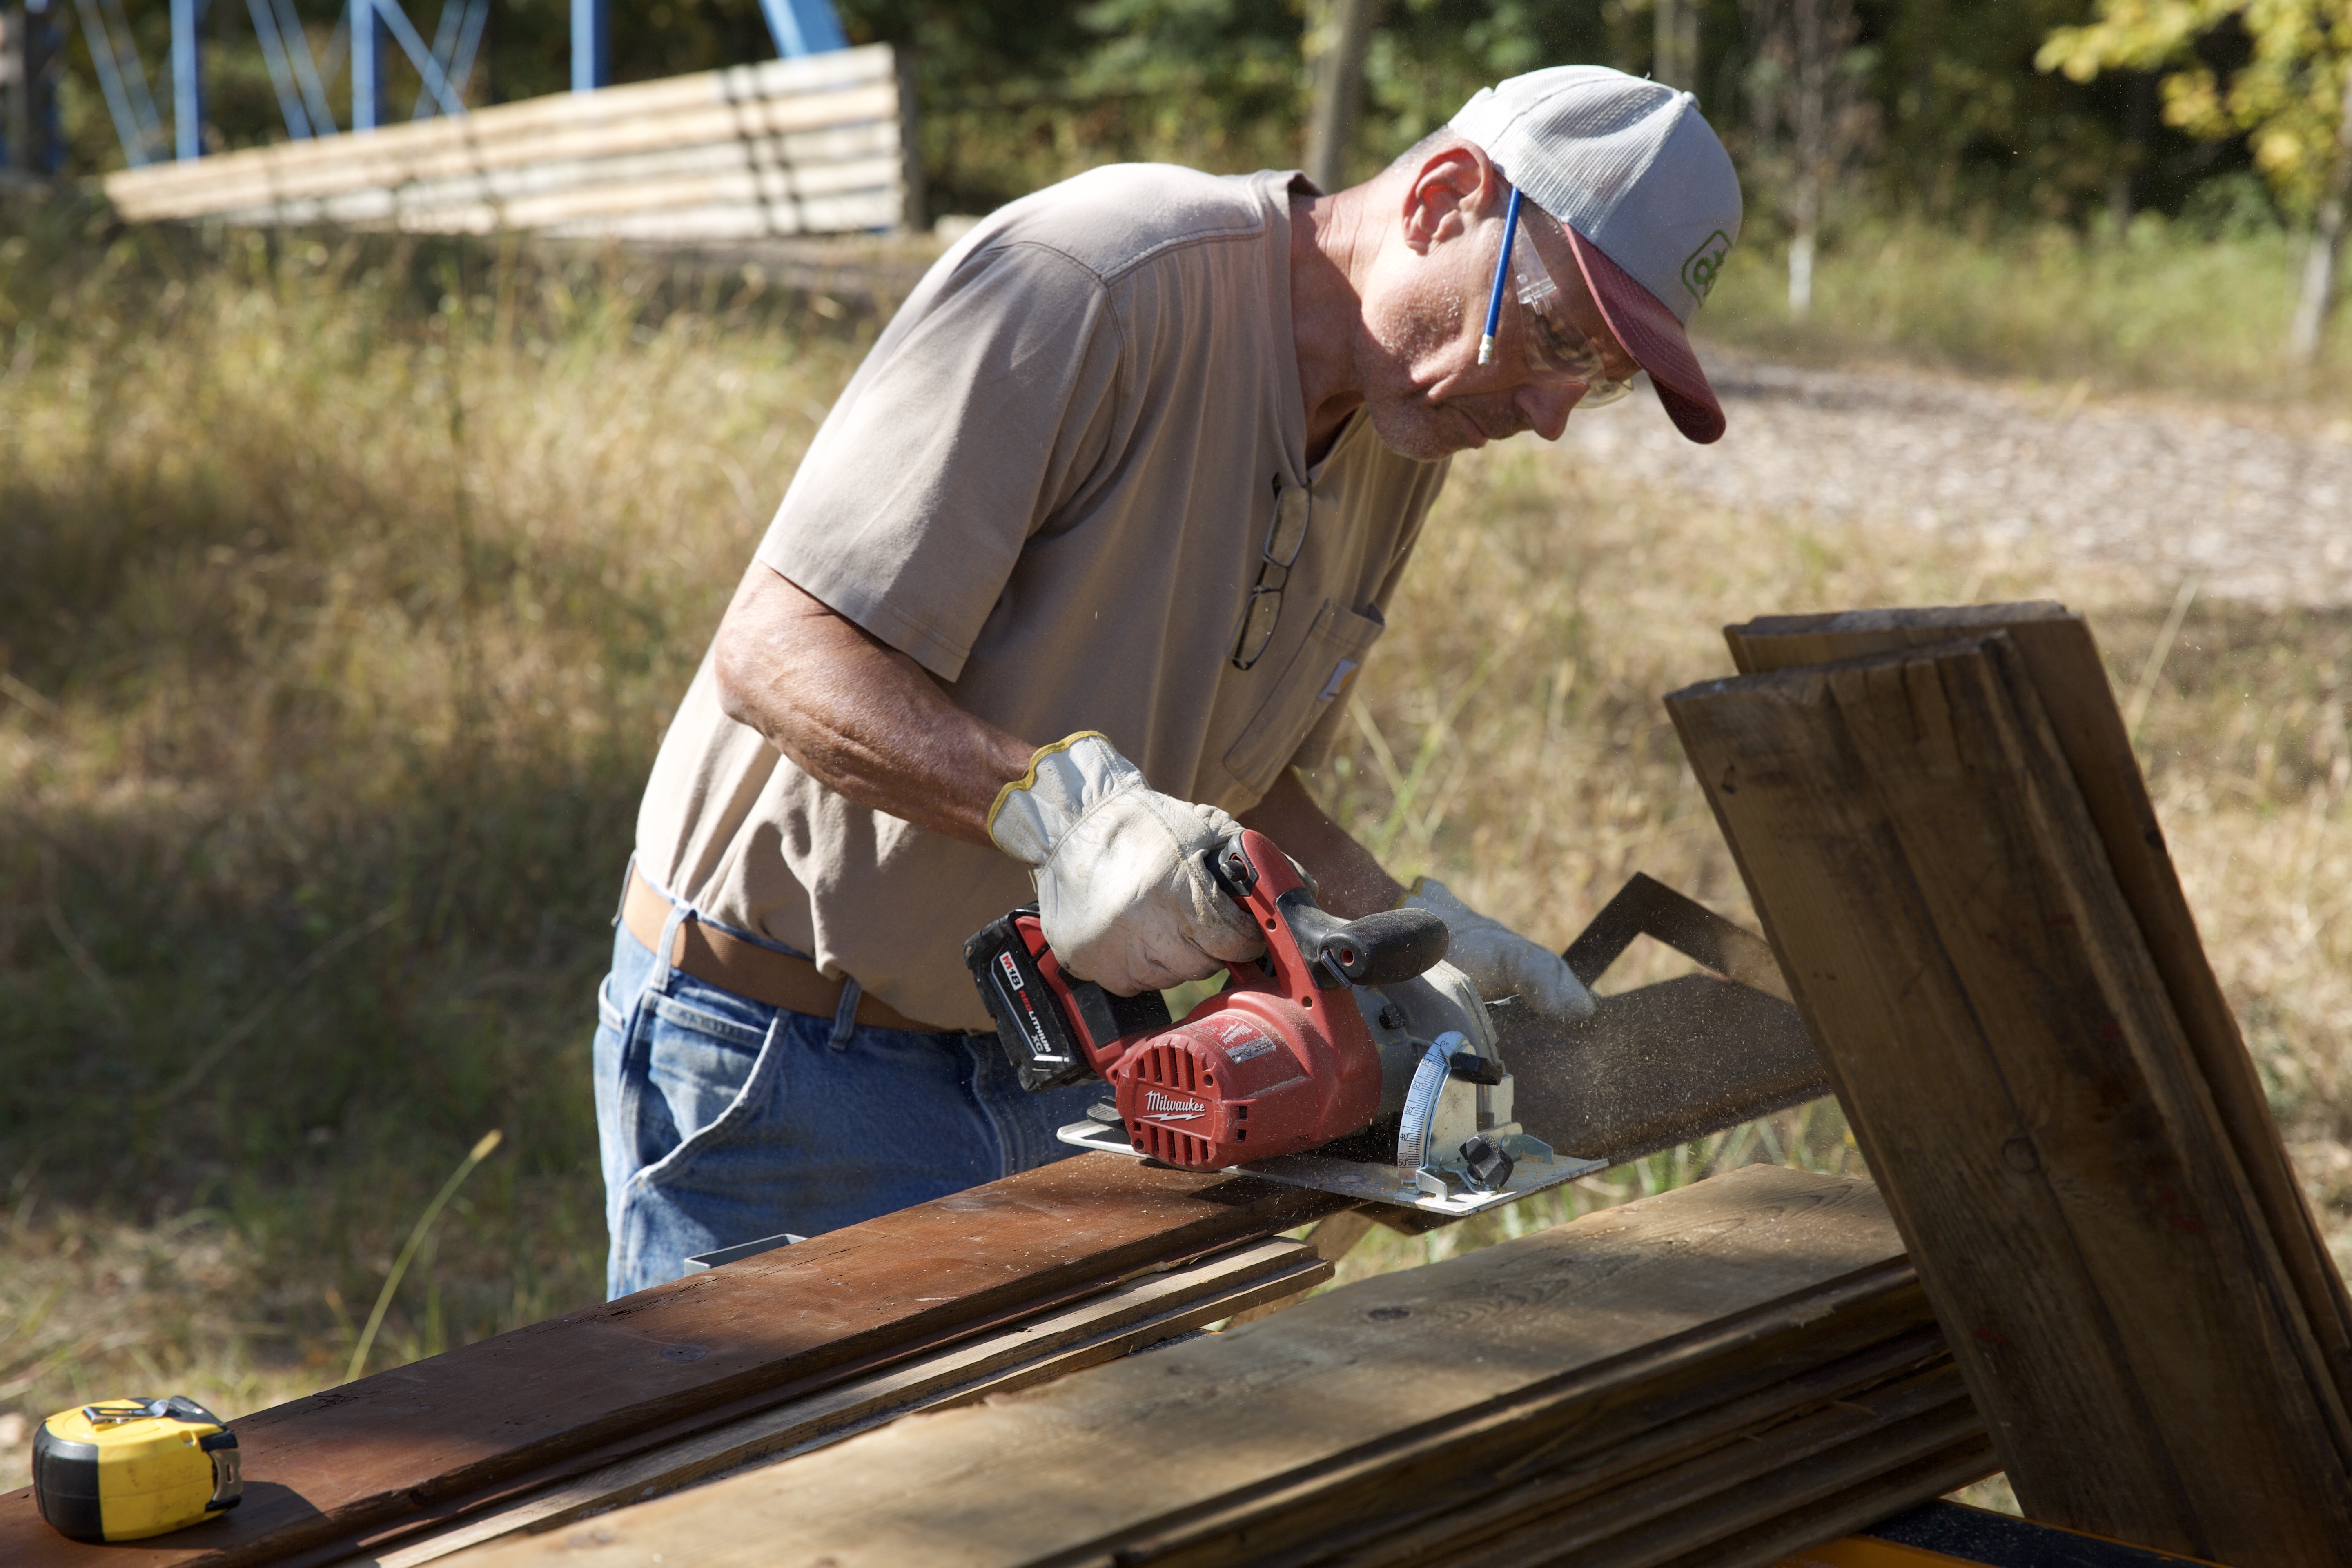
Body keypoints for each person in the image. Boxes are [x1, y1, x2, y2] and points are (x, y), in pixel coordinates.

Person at [593, 64, 1743, 1297]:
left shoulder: (1404, 423)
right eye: (1560, 334)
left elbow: (1219, 762)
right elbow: (777, 654)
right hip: (794, 1064)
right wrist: (1052, 813)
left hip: (1069, 1069)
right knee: (764, 1493)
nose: (1555, 409)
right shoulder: (1097, 282)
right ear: (1445, 201)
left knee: (1044, 1490)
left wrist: (1388, 926)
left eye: (1602, 377)